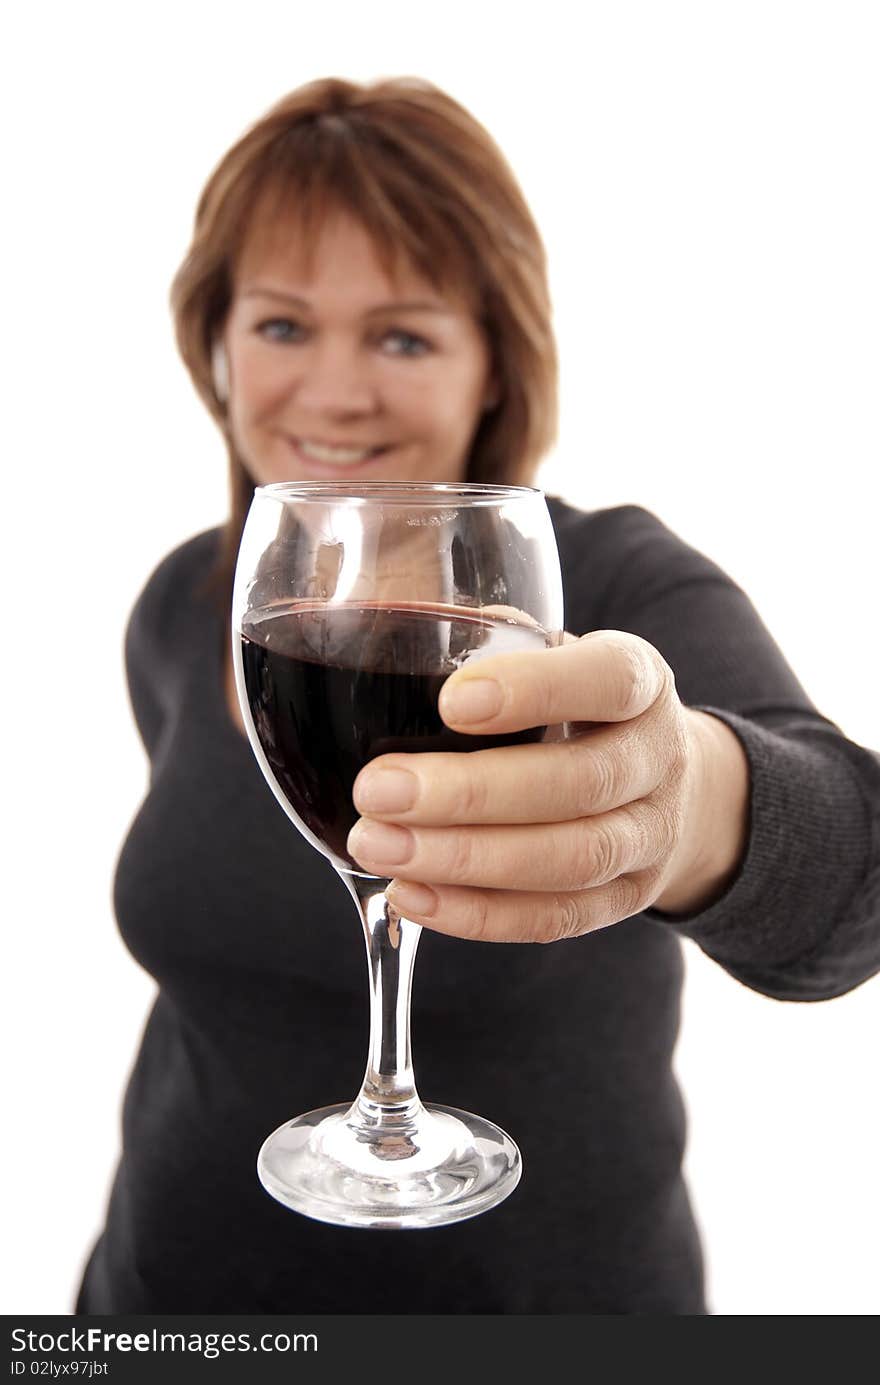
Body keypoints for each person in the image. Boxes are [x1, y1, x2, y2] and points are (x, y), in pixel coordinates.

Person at [75, 75, 880, 1315]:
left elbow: (851, 878)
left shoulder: (607, 578)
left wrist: (686, 801)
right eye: (283, 325)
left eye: (403, 335)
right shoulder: (189, 604)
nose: (336, 392)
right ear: (215, 343)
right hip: (157, 1300)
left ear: (494, 363)